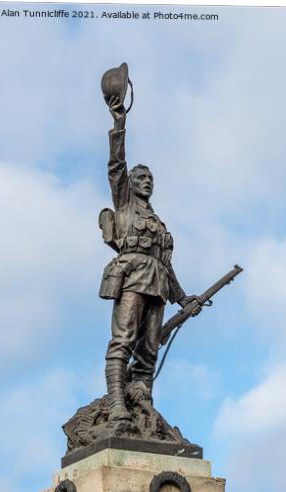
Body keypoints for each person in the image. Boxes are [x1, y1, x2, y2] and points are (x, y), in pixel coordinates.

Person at [99, 95, 200, 422]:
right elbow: (117, 165)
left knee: (148, 350)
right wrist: (119, 123)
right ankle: (116, 403)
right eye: (141, 178)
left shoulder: (159, 223)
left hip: (158, 285)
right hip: (132, 278)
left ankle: (143, 406)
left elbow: (166, 266)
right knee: (123, 341)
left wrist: (184, 300)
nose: (147, 181)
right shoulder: (125, 204)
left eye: (150, 179)